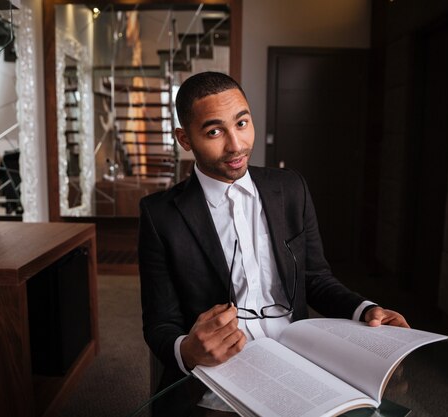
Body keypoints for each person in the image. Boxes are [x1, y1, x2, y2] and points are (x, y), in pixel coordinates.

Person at [138, 71, 408, 416]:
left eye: (242, 123)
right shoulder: (160, 215)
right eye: (214, 131)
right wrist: (189, 350)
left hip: (301, 358)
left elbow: (316, 279)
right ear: (185, 138)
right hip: (219, 374)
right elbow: (160, 323)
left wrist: (367, 310)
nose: (236, 145)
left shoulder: (290, 188)